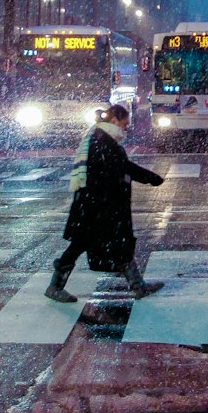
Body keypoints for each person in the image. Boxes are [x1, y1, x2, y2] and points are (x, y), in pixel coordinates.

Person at [45, 103, 165, 302]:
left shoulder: (102, 138)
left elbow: (119, 167)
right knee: (81, 244)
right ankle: (55, 286)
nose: (127, 127)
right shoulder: (102, 141)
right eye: (125, 123)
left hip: (101, 204)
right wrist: (150, 177)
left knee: (119, 244)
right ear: (114, 120)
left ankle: (138, 286)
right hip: (96, 206)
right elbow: (122, 166)